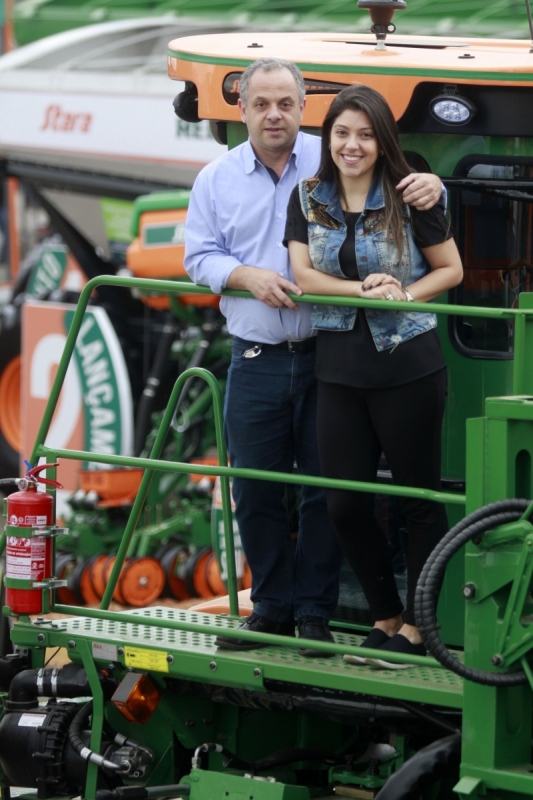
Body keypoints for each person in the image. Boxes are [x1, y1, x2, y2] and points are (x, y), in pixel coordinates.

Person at [184, 58, 444, 656]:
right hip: (256, 356)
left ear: (303, 108)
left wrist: (439, 186)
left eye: (285, 103)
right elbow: (198, 257)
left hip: (331, 355)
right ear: (242, 110)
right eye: (260, 104)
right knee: (254, 488)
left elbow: (405, 184)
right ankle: (271, 607)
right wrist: (243, 273)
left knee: (327, 494)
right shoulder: (214, 180)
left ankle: (314, 616)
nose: (273, 114)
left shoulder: (331, 155)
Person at [285, 84, 463, 666]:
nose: (352, 145)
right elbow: (304, 277)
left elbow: (452, 270)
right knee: (345, 503)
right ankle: (383, 614)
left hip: (409, 364)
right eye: (341, 133)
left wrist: (402, 295)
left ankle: (416, 624)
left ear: (381, 139)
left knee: (418, 500)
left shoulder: (413, 189)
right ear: (327, 138)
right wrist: (363, 289)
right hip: (339, 367)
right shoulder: (309, 197)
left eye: (364, 134)